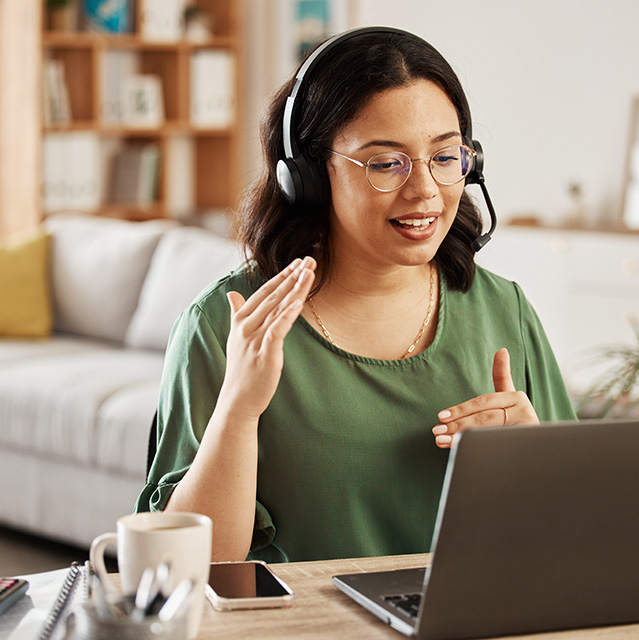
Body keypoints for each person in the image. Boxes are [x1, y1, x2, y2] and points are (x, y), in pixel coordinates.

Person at [136, 27, 575, 564]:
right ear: (308, 176)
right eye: (386, 163)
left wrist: (533, 461)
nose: (425, 192)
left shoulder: (505, 311)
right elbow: (192, 572)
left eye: (444, 157)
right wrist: (238, 411)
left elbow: (570, 543)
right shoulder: (227, 324)